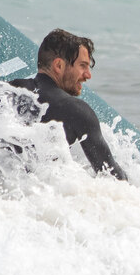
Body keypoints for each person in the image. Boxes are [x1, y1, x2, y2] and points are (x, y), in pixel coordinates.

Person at [9, 29, 127, 180]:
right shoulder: (76, 110)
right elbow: (114, 179)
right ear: (58, 66)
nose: (88, 75)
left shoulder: (10, 91)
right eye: (83, 66)